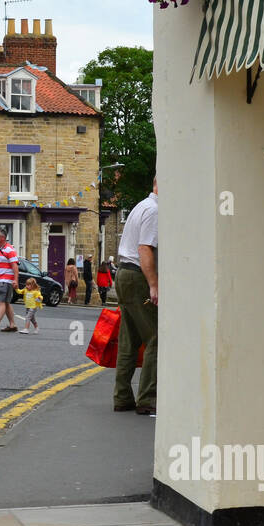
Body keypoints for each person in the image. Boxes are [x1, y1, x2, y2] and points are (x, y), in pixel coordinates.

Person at [113, 178, 158, 416]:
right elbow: (145, 249)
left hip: (123, 274)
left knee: (129, 339)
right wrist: (153, 285)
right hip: (138, 278)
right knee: (156, 337)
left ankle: (122, 396)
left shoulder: (141, 206)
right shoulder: (154, 210)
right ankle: (148, 399)